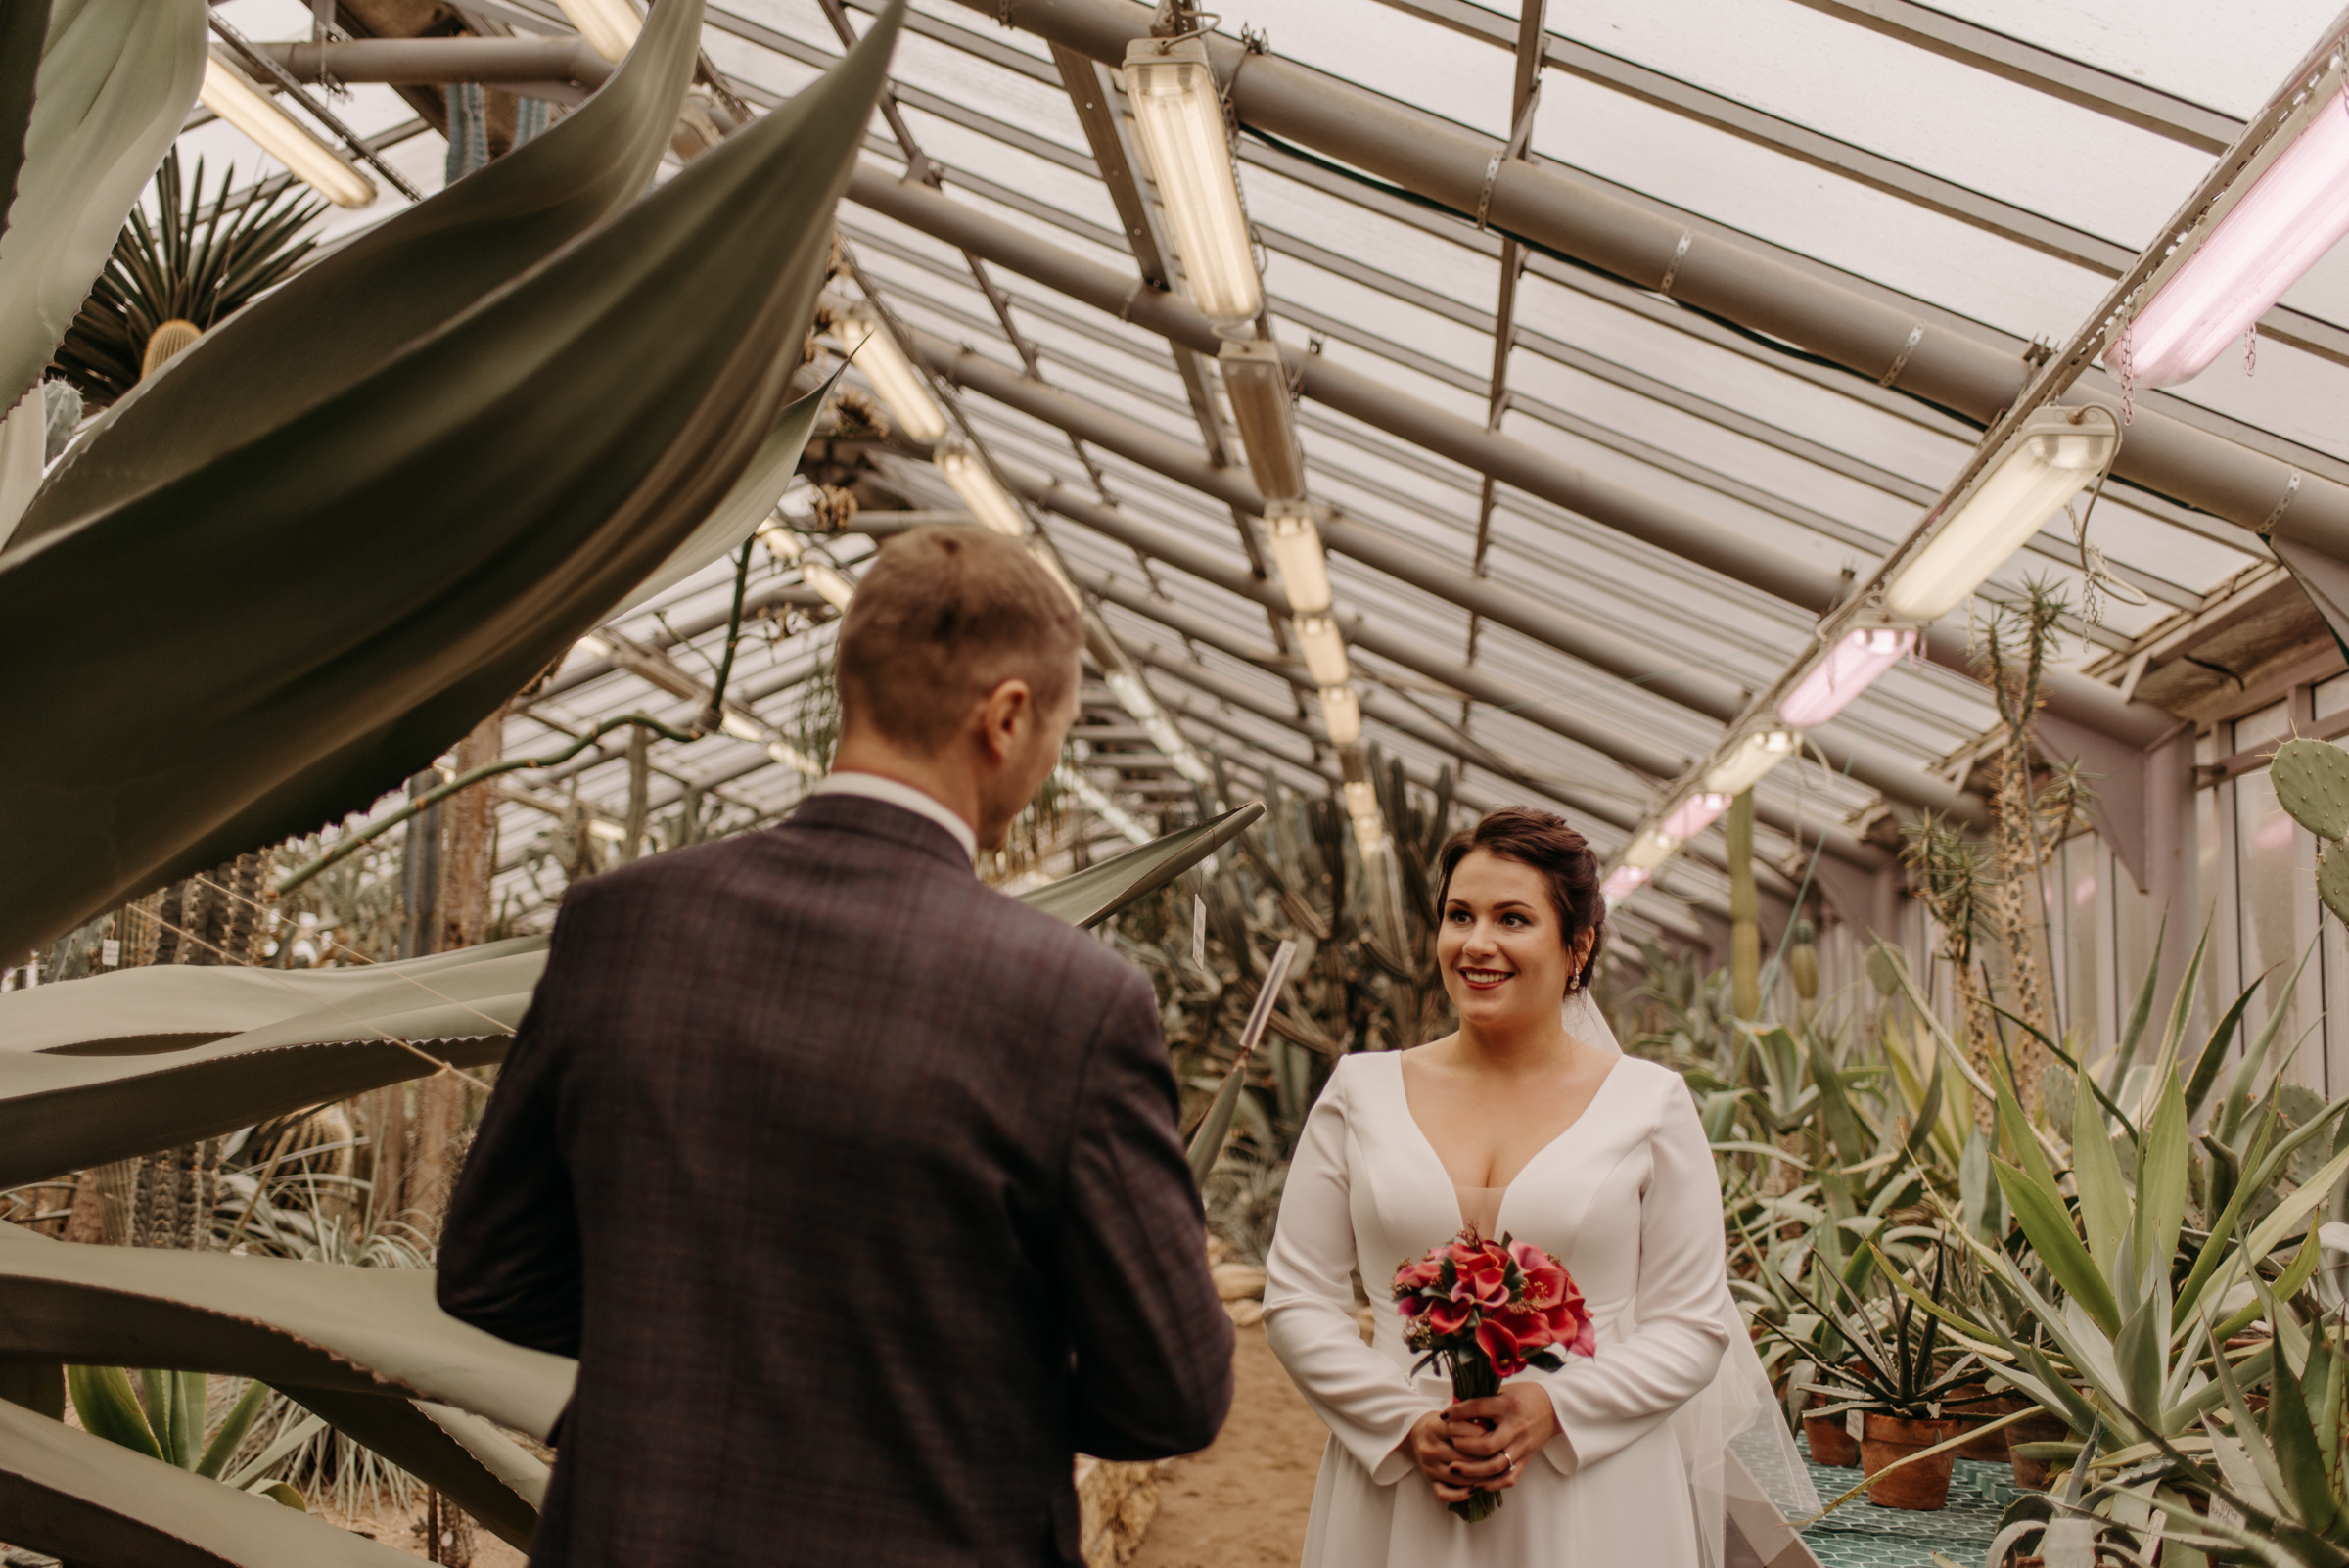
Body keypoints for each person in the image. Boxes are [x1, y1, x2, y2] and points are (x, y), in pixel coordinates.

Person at [437, 526, 1234, 1566]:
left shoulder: (622, 926)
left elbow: (491, 1273)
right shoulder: (1069, 1001)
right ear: (1006, 717)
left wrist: (686, 1359)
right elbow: (1173, 1391)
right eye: (1059, 729)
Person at [1263, 807, 1815, 1567]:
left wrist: (1554, 1406)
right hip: (1400, 1483)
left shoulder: (1650, 1105)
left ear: (1577, 945)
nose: (1476, 943)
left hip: (1593, 1485)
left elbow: (1691, 1324)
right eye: (1460, 915)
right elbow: (1297, 1297)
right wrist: (1401, 1424)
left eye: (1512, 918)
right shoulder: (1359, 1093)